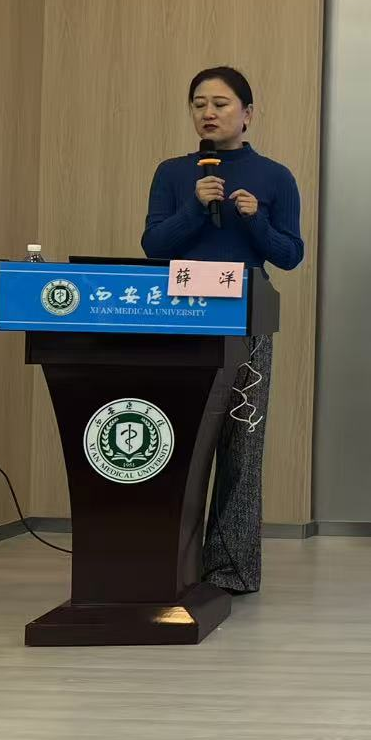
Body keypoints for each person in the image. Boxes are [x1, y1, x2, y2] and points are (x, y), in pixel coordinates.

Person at [141, 66, 304, 593]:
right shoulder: (173, 173)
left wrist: (256, 220)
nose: (208, 113)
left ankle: (231, 568)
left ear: (247, 114)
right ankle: (170, 560)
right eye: (199, 104)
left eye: (221, 104)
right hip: (181, 318)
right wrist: (195, 206)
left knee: (242, 445)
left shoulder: (275, 177)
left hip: (246, 319)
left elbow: (290, 254)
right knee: (179, 440)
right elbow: (154, 245)